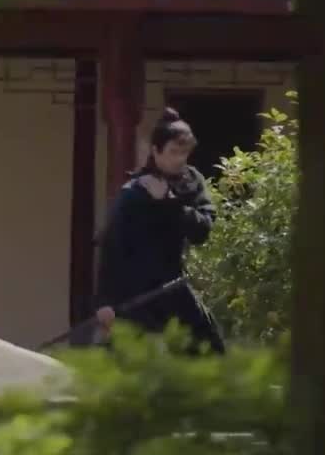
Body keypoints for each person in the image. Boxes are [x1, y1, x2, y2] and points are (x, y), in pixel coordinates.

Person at [91, 107, 226, 355]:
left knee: (211, 352)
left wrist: (169, 201)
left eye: (184, 153)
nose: (179, 159)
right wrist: (104, 301)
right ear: (156, 151)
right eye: (173, 152)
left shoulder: (192, 183)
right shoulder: (135, 192)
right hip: (135, 294)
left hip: (174, 287)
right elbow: (112, 246)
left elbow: (202, 231)